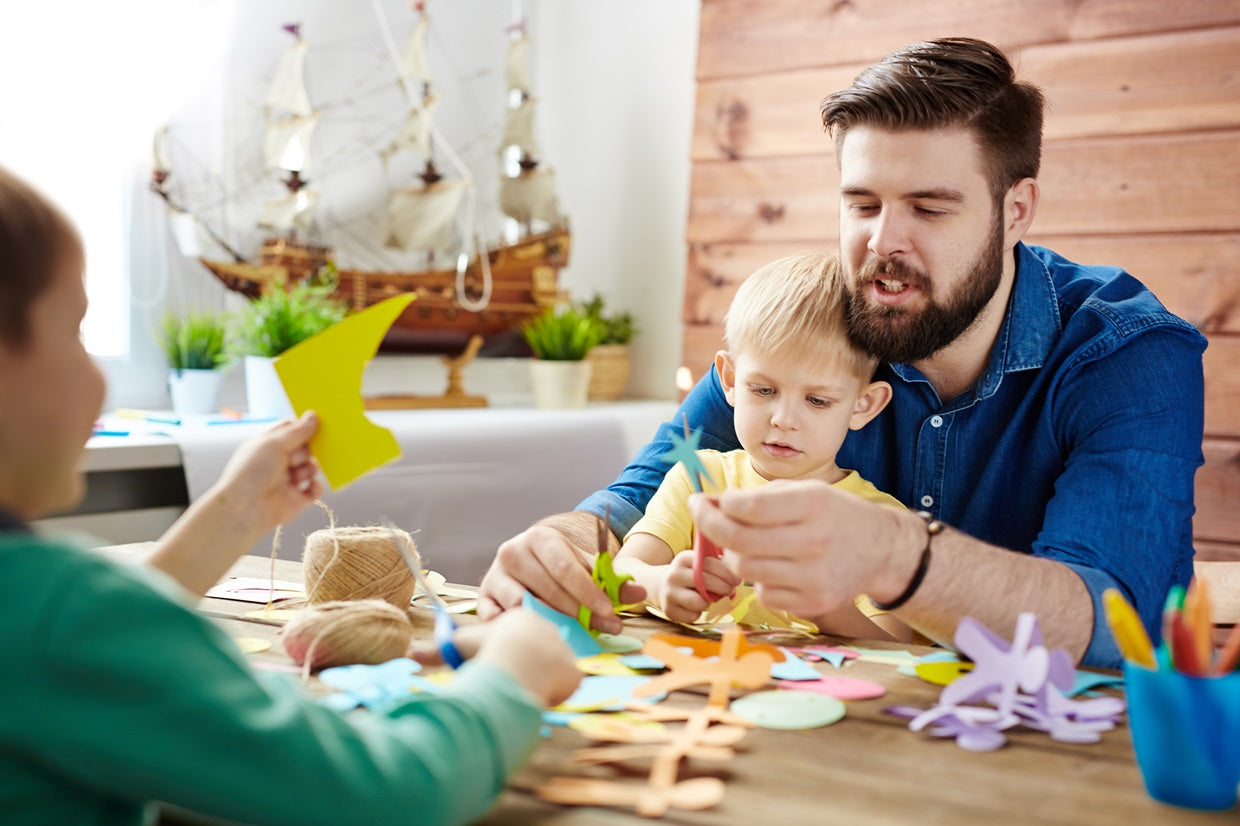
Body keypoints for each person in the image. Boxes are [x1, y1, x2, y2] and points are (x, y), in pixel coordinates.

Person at [478, 37, 1206, 670]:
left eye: (928, 207)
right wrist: (565, 539)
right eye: (861, 204)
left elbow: (1114, 623)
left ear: (1015, 210)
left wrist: (900, 556)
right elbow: (646, 492)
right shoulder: (819, 320)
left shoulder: (1130, 354)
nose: (883, 243)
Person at [0, 164, 581, 826]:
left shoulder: (50, 620)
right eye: (75, 329)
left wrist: (238, 511)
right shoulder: (60, 619)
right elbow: (384, 793)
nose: (98, 379)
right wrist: (512, 677)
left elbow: (90, 645)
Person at [613, 252, 911, 641]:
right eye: (764, 390)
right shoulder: (698, 480)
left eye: (817, 401)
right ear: (731, 380)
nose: (783, 419)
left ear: (863, 405)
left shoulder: (880, 522)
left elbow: (900, 650)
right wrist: (658, 584)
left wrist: (827, 611)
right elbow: (615, 578)